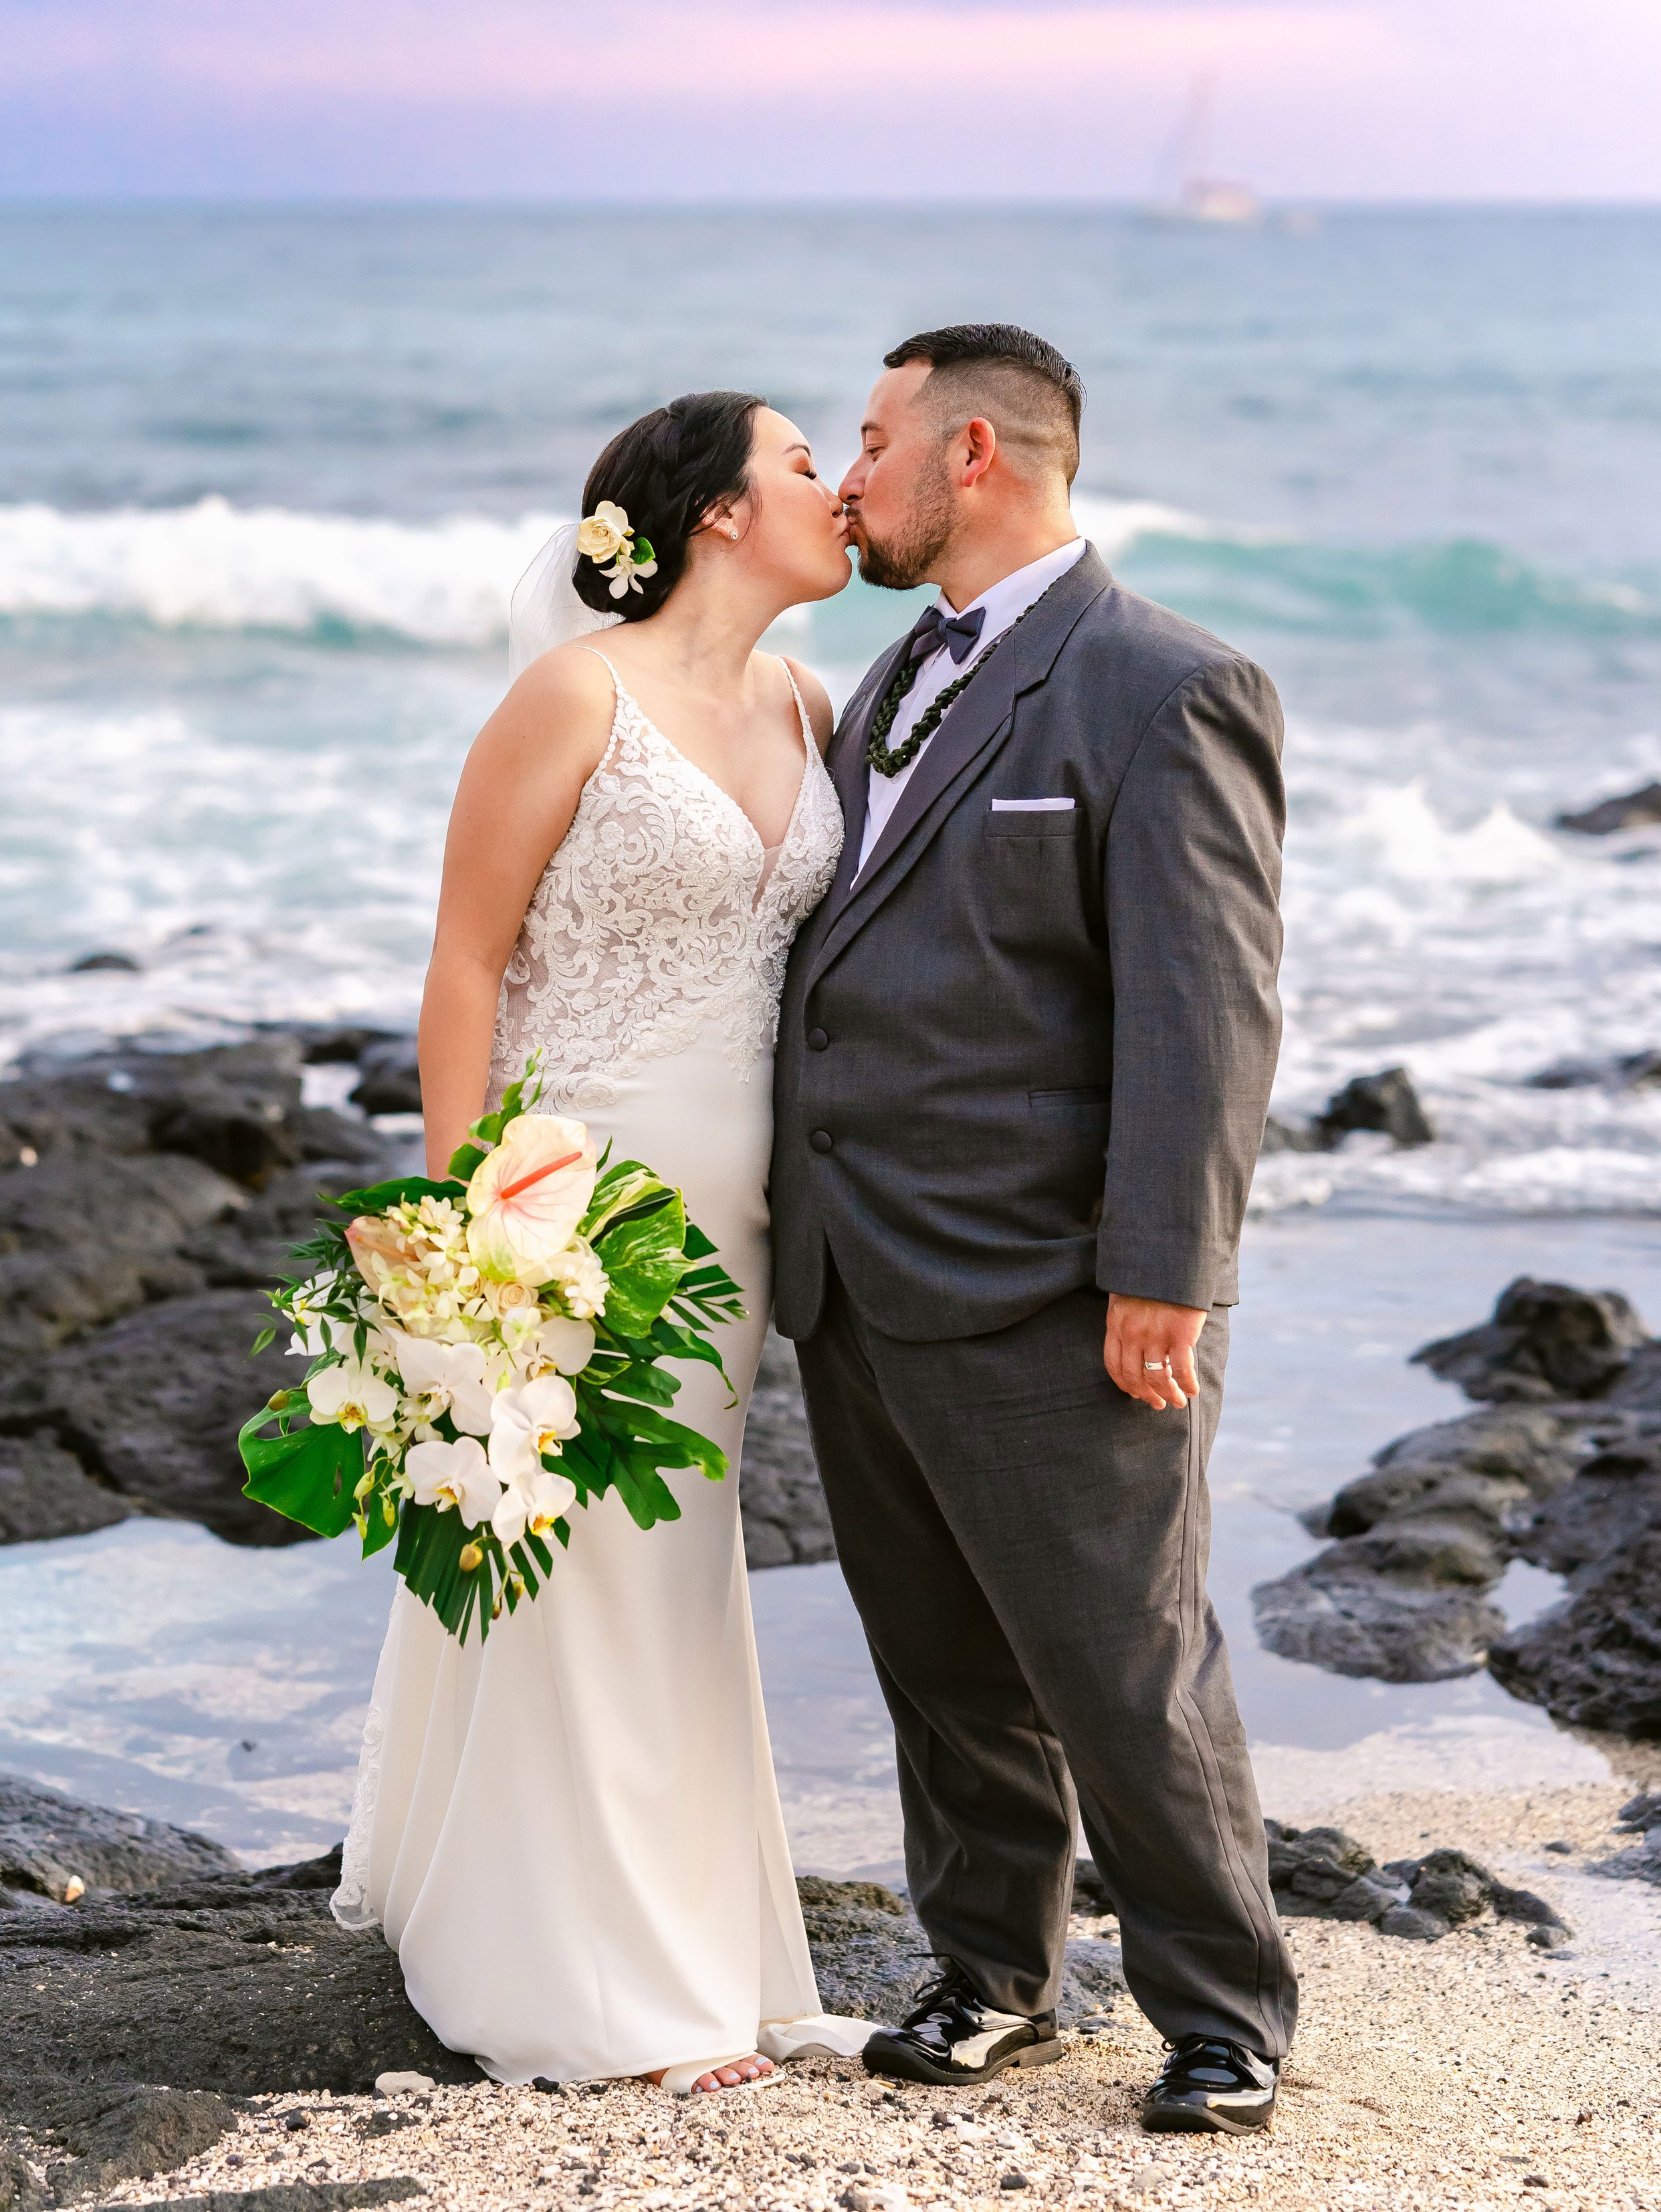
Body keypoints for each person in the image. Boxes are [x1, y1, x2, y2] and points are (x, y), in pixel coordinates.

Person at [770, 324, 1299, 2135]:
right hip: (859, 1267)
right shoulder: (891, 674)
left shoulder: (1164, 683)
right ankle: (993, 1970)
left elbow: (1202, 1008)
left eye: (867, 438)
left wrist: (1167, 1268)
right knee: (938, 1657)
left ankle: (1222, 2011)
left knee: (1120, 1661)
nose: (847, 478)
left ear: (971, 450)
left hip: (1058, 1283)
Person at [333, 392, 877, 2094]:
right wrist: (454, 1228)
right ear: (717, 513)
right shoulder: (573, 695)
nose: (837, 490)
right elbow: (464, 966)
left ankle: (702, 1944)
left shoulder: (809, 698)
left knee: (675, 1550)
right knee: (579, 1556)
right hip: (569, 1186)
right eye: (804, 464)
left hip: (744, 1201)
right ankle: (591, 1984)